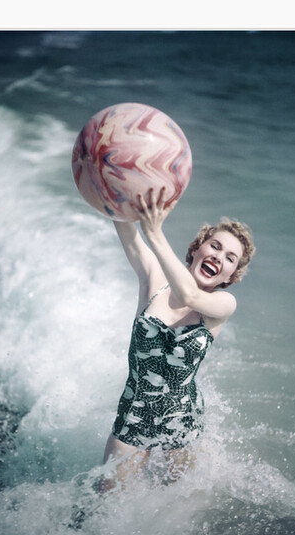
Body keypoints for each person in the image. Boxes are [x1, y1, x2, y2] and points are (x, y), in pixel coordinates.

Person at [101, 186, 255, 489]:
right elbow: (122, 223)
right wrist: (111, 177)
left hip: (180, 422)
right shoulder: (153, 279)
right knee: (101, 511)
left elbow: (188, 293)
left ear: (230, 277)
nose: (219, 257)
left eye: (230, 258)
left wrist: (155, 232)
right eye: (214, 246)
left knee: (174, 513)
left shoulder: (222, 307)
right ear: (197, 248)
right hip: (134, 416)